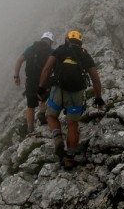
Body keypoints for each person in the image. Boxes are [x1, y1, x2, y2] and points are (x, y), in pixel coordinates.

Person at [39, 30, 105, 169]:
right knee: (72, 125)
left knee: (51, 116)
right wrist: (98, 98)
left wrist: (41, 87)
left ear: (67, 39)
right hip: (76, 94)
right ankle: (69, 158)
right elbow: (96, 80)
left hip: (58, 90)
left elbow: (46, 69)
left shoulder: (61, 50)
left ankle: (57, 137)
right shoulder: (85, 55)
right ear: (80, 42)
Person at [13, 31, 55, 135]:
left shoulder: (30, 49)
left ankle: (30, 129)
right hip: (44, 80)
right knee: (45, 98)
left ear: (42, 39)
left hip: (30, 81)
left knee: (30, 106)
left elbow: (19, 61)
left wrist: (16, 76)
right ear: (50, 41)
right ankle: (42, 113)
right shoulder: (51, 51)